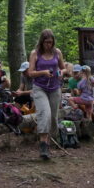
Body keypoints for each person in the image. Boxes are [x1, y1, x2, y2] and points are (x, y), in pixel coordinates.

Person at [27, 29, 65, 160]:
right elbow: (30, 73)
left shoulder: (57, 52)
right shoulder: (35, 53)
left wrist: (62, 72)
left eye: (51, 42)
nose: (49, 45)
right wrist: (43, 72)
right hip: (39, 88)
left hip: (55, 88)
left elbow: (63, 67)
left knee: (53, 117)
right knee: (45, 113)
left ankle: (48, 145)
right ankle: (43, 144)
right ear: (42, 42)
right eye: (46, 42)